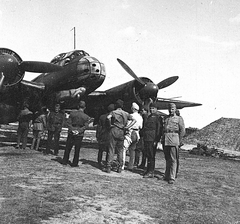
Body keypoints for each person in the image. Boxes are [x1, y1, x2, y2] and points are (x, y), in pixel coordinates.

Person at [106, 99, 136, 173]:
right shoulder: (126, 113)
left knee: (111, 149)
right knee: (120, 150)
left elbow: (108, 117)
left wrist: (110, 124)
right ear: (122, 106)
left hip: (114, 129)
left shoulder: (113, 112)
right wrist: (128, 127)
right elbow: (134, 120)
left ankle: (108, 166)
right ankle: (119, 167)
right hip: (122, 131)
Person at [162, 103, 185, 184]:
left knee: (173, 159)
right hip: (166, 138)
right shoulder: (166, 118)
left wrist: (179, 140)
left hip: (174, 139)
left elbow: (182, 131)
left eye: (172, 109)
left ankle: (172, 177)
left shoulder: (179, 119)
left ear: (175, 109)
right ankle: (167, 175)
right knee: (167, 158)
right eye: (169, 109)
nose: (170, 111)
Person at [62, 101, 90, 167]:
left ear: (78, 106)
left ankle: (65, 161)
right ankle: (75, 163)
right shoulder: (86, 117)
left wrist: (72, 129)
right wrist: (79, 131)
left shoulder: (72, 114)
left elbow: (68, 123)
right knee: (77, 149)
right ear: (85, 108)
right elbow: (85, 126)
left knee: (68, 147)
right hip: (79, 134)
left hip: (71, 132)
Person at [142, 102, 163, 178]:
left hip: (152, 138)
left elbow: (159, 129)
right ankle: (148, 170)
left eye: (153, 108)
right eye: (150, 108)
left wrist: (156, 140)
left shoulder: (158, 117)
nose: (151, 109)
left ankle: (151, 171)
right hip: (147, 138)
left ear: (156, 109)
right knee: (148, 154)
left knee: (151, 155)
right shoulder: (149, 116)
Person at [96, 104, 115, 169]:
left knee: (100, 149)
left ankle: (99, 161)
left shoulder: (102, 116)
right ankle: (107, 162)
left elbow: (99, 127)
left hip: (102, 133)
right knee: (108, 150)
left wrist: (97, 135)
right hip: (109, 134)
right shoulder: (113, 118)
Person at [126, 102, 143, 171]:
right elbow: (141, 127)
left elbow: (128, 125)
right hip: (137, 133)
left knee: (125, 148)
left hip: (131, 132)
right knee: (133, 149)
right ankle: (131, 165)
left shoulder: (131, 115)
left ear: (133, 109)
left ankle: (122, 164)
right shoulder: (140, 117)